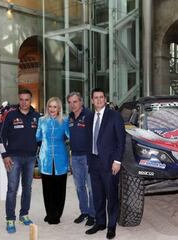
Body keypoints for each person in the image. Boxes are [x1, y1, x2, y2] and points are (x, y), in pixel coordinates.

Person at [85, 88, 126, 239]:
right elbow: (88, 140)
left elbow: (121, 141)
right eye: (96, 98)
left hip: (110, 163)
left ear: (105, 99)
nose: (99, 100)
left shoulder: (114, 116)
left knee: (111, 196)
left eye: (101, 97)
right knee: (98, 196)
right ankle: (100, 223)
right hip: (94, 162)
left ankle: (111, 226)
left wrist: (117, 161)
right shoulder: (89, 117)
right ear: (92, 100)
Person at [0, 89, 40, 234]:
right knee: (12, 189)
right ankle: (10, 218)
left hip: (30, 158)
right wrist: (5, 155)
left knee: (27, 187)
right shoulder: (10, 115)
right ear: (19, 100)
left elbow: (40, 137)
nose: (24, 102)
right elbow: (1, 136)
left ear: (31, 100)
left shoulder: (36, 116)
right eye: (21, 99)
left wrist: (38, 153)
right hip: (13, 158)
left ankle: (24, 214)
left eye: (27, 99)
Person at [36, 97, 69, 225]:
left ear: (59, 108)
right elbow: (37, 137)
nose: (52, 109)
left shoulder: (64, 121)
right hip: (45, 158)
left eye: (55, 107)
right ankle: (49, 213)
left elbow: (70, 136)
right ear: (47, 108)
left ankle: (57, 214)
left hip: (61, 157)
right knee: (47, 188)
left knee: (60, 188)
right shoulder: (41, 121)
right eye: (50, 106)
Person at [67, 92, 95, 226]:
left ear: (81, 102)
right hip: (75, 156)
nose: (73, 105)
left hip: (88, 156)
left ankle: (93, 214)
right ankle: (84, 211)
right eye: (70, 102)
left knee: (91, 187)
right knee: (79, 187)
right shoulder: (70, 117)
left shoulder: (89, 115)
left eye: (75, 102)